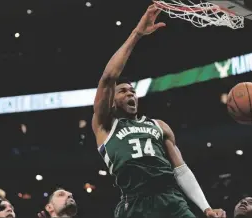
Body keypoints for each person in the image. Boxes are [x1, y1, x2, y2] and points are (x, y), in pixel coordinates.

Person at [92, 3, 226, 218]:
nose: (130, 94)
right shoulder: (105, 125)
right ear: (112, 101)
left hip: (171, 200)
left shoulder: (158, 126)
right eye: (123, 91)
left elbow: (181, 169)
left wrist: (206, 208)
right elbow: (109, 77)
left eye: (133, 91)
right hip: (134, 204)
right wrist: (137, 33)